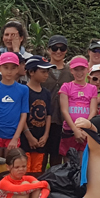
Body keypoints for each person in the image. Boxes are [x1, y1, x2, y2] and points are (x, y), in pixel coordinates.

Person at [40, 36, 75, 167]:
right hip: (42, 119)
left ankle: (55, 184)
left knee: (57, 156)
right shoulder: (42, 69)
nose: (58, 51)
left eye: (62, 48)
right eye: (55, 48)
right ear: (49, 50)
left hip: (63, 120)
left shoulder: (70, 71)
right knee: (41, 157)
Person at [58, 56, 100, 160]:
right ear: (71, 70)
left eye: (82, 69)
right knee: (68, 161)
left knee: (84, 161)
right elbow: (64, 110)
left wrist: (85, 129)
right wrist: (75, 129)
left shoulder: (92, 88)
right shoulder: (66, 87)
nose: (79, 72)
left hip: (86, 131)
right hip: (69, 129)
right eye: (76, 70)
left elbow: (93, 110)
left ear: (88, 69)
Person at [0, 52, 28, 155]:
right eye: (6, 67)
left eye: (13, 68)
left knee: (11, 165)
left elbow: (23, 115)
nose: (9, 71)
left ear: (18, 69)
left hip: (13, 135)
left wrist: (15, 138)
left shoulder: (23, 89)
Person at [21, 59, 55, 175]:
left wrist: (46, 135)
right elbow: (22, 114)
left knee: (38, 170)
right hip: (26, 138)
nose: (46, 75)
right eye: (43, 71)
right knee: (25, 169)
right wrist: (28, 136)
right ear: (31, 72)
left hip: (41, 138)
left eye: (47, 71)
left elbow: (48, 114)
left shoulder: (46, 92)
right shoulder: (24, 90)